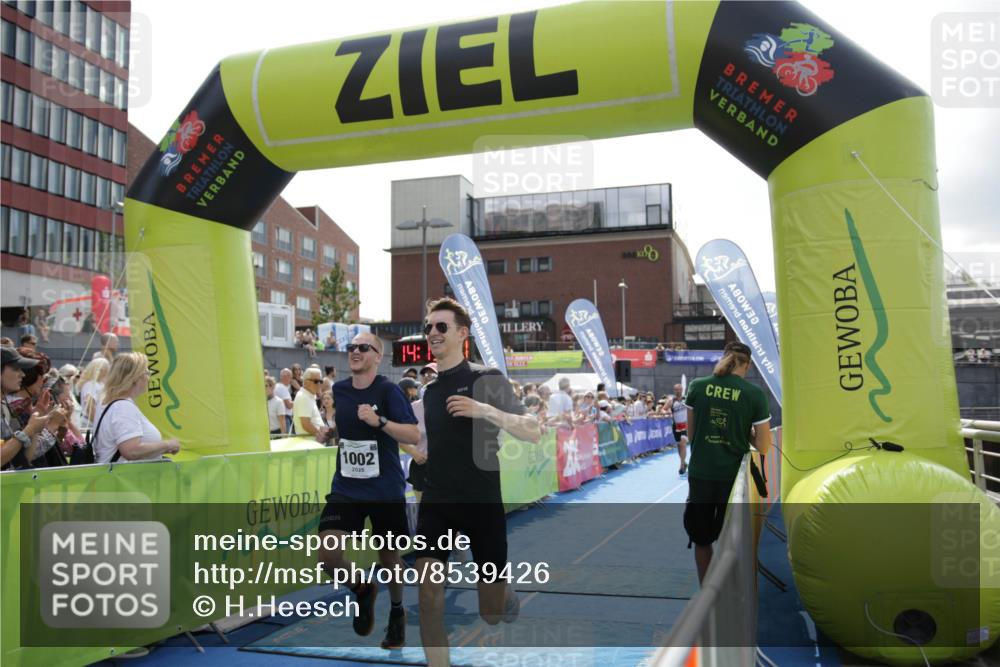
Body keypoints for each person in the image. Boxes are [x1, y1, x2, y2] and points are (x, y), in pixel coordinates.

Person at [415, 298, 540, 667]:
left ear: (462, 333)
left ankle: (504, 594)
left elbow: (533, 431)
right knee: (427, 598)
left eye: (441, 327)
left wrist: (484, 409)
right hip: (437, 502)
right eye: (428, 328)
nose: (432, 333)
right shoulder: (431, 390)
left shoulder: (486, 378)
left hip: (481, 503)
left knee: (490, 613)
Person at [318, 332, 419, 650]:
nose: (355, 352)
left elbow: (413, 434)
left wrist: (380, 420)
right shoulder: (340, 390)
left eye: (363, 347)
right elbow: (348, 431)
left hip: (384, 488)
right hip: (346, 486)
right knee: (327, 555)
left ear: (378, 356)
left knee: (389, 558)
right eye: (351, 348)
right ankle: (363, 589)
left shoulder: (388, 390)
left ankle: (397, 612)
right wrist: (329, 431)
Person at [683, 341, 771, 584]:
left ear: (723, 358)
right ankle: (733, 593)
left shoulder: (697, 387)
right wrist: (744, 432)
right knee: (732, 541)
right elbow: (763, 446)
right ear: (748, 364)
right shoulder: (754, 394)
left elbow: (691, 435)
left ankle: (707, 593)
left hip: (700, 474)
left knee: (702, 539)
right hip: (734, 479)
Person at [93, 353, 181, 464]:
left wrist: (161, 448)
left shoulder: (108, 403)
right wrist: (168, 444)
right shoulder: (123, 407)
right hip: (124, 479)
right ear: (135, 378)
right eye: (147, 372)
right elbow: (131, 451)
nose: (149, 377)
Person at [6, 348, 69, 468]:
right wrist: (52, 426)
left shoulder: (25, 405)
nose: (44, 382)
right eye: (43, 376)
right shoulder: (15, 409)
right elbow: (24, 454)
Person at [292, 367, 330, 442]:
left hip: (312, 443)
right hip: (309, 444)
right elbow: (306, 424)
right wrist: (320, 435)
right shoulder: (304, 397)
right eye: (316, 381)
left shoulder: (308, 396)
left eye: (320, 381)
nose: (319, 384)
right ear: (306, 382)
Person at [78, 357, 110, 431]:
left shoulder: (99, 384)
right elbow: (90, 407)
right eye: (106, 369)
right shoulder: (90, 385)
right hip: (91, 426)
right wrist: (100, 424)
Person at [667, 383, 690, 475]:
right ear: (674, 390)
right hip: (676, 426)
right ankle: (684, 462)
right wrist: (668, 411)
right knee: (679, 446)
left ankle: (681, 466)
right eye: (676, 389)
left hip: (686, 425)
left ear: (682, 390)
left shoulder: (687, 399)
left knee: (683, 443)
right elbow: (663, 409)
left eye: (679, 389)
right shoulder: (671, 401)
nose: (678, 391)